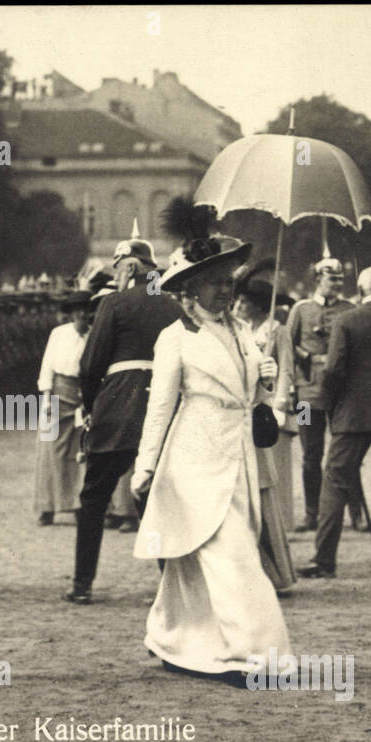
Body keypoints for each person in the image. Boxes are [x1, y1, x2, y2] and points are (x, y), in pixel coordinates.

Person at [130, 233, 291, 681]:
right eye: (215, 283)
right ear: (190, 289)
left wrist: (265, 378)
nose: (226, 290)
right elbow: (160, 406)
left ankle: (172, 639)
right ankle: (253, 655)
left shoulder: (241, 332)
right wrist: (145, 465)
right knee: (231, 554)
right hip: (194, 458)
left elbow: (251, 396)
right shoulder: (175, 337)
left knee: (193, 559)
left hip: (239, 455)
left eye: (229, 281)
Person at [66, 221, 179, 604]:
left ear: (127, 267)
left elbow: (90, 364)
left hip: (118, 406)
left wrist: (90, 405)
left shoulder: (114, 302)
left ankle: (82, 585)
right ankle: (171, 587)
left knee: (94, 498)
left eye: (118, 267)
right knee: (159, 500)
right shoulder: (175, 304)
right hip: (164, 411)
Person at [298, 267, 371, 578]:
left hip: (354, 412)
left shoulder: (345, 320)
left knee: (335, 482)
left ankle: (324, 561)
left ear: (361, 290)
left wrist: (327, 404)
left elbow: (335, 369)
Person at [234, 277, 296, 595]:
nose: (239, 306)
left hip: (268, 408)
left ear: (258, 305)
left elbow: (286, 368)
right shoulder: (240, 331)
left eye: (245, 301)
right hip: (247, 407)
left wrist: (281, 403)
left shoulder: (277, 331)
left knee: (268, 479)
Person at [287, 257, 357, 532]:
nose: (337, 284)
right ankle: (311, 513)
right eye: (332, 279)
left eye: (340, 279)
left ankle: (356, 513)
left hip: (342, 392)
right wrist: (303, 357)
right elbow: (287, 345)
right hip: (306, 393)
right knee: (310, 454)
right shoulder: (300, 309)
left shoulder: (350, 309)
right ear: (318, 280)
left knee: (348, 453)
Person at [34, 290, 94, 525]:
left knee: (79, 450)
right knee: (51, 448)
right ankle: (47, 507)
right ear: (70, 313)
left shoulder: (93, 336)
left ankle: (76, 505)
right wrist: (47, 398)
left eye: (85, 309)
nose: (81, 314)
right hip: (58, 393)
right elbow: (47, 366)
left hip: (82, 395)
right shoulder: (58, 334)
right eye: (76, 310)